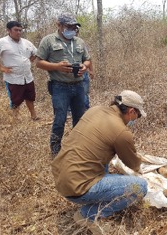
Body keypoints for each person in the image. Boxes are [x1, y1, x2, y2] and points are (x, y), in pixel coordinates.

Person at [51, 90, 148, 234]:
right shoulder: (121, 132)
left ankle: (94, 195)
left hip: (60, 177)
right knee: (140, 187)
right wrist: (141, 161)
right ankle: (87, 215)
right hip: (77, 188)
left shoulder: (94, 110)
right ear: (131, 111)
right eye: (138, 116)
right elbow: (134, 165)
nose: (136, 119)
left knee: (103, 152)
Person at [35, 12, 91, 156]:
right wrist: (57, 67)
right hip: (60, 87)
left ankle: (77, 148)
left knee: (80, 119)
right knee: (59, 119)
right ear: (58, 25)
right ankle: (55, 150)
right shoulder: (48, 41)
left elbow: (87, 59)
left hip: (79, 86)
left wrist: (85, 67)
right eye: (68, 26)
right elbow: (39, 62)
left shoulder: (79, 42)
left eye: (74, 27)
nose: (72, 29)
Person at [0, 21, 39, 120]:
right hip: (13, 78)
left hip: (28, 76)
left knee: (30, 97)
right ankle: (15, 120)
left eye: (20, 30)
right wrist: (1, 67)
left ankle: (34, 116)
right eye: (16, 30)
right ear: (9, 30)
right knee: (16, 100)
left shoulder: (26, 42)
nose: (18, 32)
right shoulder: (1, 42)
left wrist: (29, 61)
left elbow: (35, 52)